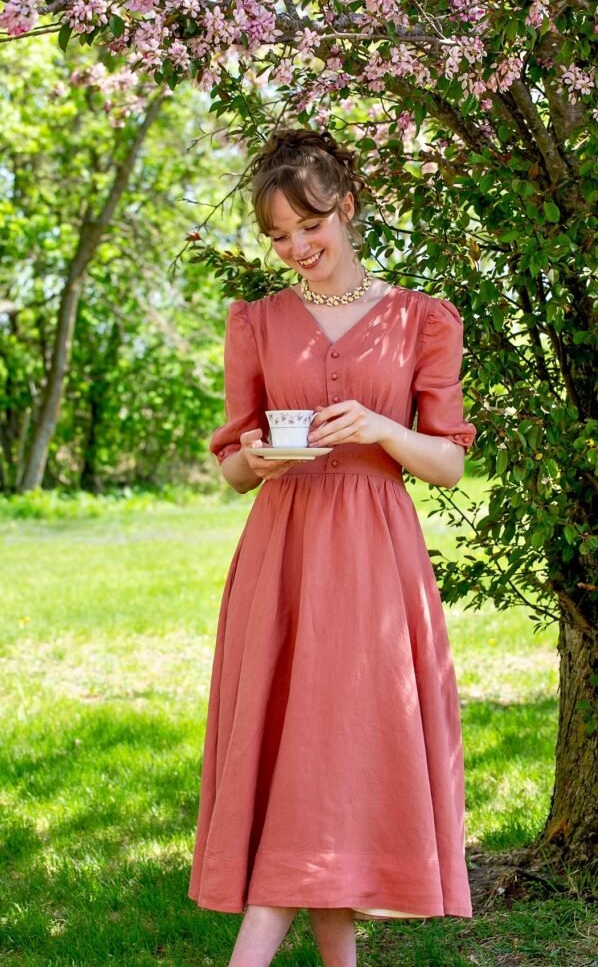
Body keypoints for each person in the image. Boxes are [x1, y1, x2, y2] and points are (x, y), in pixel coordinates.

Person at [188, 127, 477, 967]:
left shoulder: (422, 319)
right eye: (277, 236)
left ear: (346, 208)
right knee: (302, 747)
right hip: (282, 552)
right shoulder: (258, 322)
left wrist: (385, 428)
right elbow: (234, 469)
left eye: (308, 226)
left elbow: (449, 464)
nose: (296, 248)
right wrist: (260, 457)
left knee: (341, 748)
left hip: (374, 560)